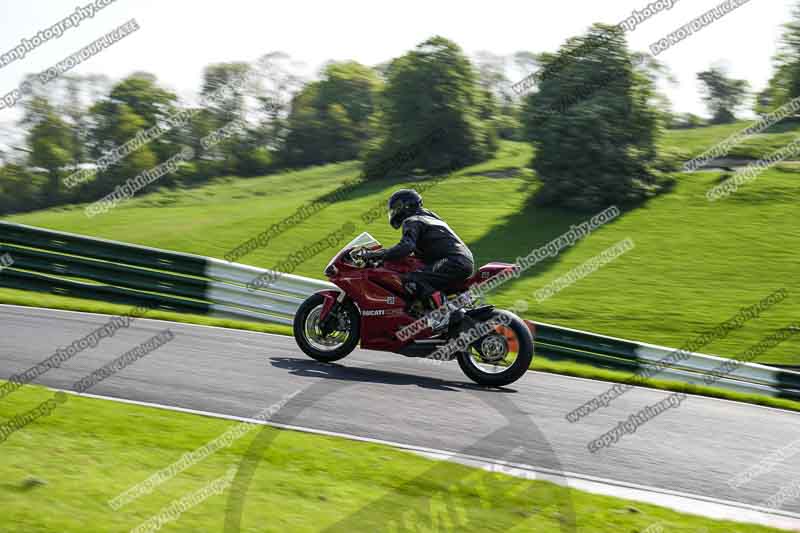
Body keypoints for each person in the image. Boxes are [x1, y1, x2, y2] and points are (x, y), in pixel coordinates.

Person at [363, 189, 475, 323]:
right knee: (418, 276)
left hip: (453, 260)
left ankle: (445, 315)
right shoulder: (428, 216)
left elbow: (406, 246)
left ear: (407, 205)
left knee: (412, 280)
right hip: (459, 259)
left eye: (397, 207)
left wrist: (379, 255)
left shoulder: (412, 220)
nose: (394, 212)